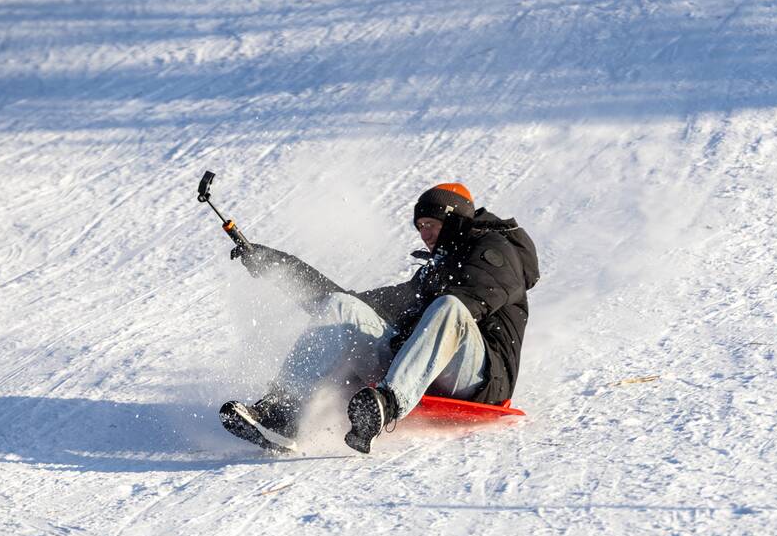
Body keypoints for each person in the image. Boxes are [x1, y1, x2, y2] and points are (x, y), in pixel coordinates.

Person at [219, 182, 540, 454]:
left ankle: (385, 404)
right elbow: (359, 305)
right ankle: (283, 414)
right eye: (419, 227)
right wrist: (277, 267)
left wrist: (414, 334)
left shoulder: (497, 250)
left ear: (454, 218)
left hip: (479, 378)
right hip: (423, 368)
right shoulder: (431, 275)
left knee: (450, 307)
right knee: (341, 306)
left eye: (430, 224)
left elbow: (474, 297)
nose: (424, 234)